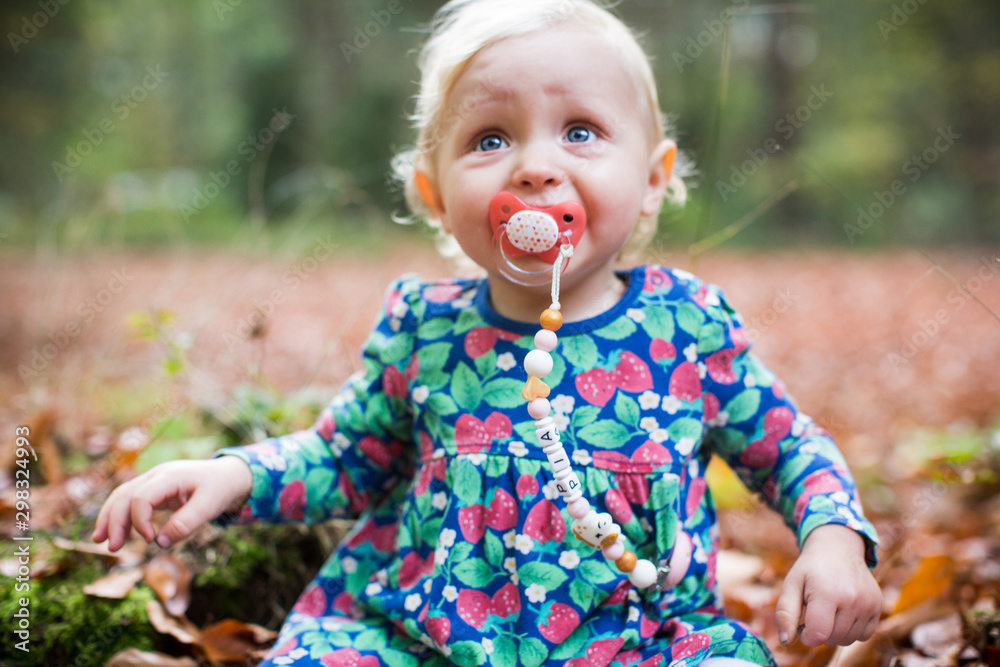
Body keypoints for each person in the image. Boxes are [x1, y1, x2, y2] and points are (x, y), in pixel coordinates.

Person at [91, 1, 882, 664]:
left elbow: (789, 447)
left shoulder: (687, 327)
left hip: (637, 640)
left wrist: (834, 537)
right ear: (435, 195)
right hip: (421, 634)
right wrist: (234, 475)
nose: (535, 166)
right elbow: (344, 457)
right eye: (490, 139)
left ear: (651, 180)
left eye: (580, 131)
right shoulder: (426, 329)